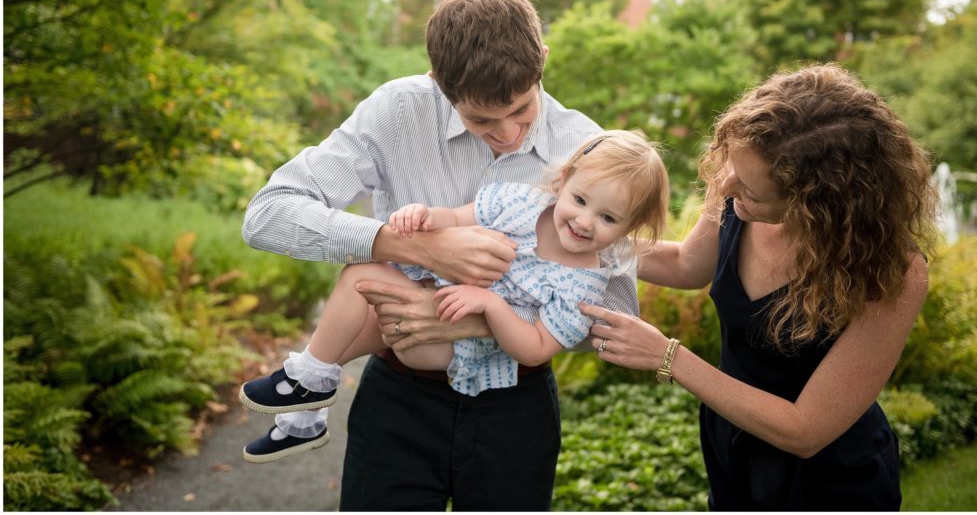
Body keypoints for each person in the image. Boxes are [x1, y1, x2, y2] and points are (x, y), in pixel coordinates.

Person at [240, 0, 640, 510]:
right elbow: (267, 215)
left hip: (516, 409)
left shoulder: (588, 148)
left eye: (521, 110)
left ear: (542, 58)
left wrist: (482, 320)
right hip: (399, 399)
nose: (507, 134)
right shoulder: (396, 111)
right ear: (438, 79)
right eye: (480, 119)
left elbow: (615, 309)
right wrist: (416, 249)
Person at [581, 64, 937, 510]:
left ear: (815, 203)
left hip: (827, 479)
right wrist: (588, 242)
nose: (726, 186)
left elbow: (805, 429)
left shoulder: (889, 270)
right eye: (731, 166)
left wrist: (666, 356)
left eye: (748, 188)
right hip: (732, 447)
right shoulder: (739, 190)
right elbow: (688, 265)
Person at [239, 130, 668, 458]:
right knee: (362, 287)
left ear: (629, 230)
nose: (585, 221)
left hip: (458, 352)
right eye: (580, 200)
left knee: (366, 284)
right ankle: (307, 410)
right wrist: (423, 216)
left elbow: (536, 349)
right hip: (433, 302)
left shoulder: (585, 285)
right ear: (565, 179)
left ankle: (308, 381)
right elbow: (458, 218)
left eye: (608, 218)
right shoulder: (522, 204)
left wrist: (491, 305)